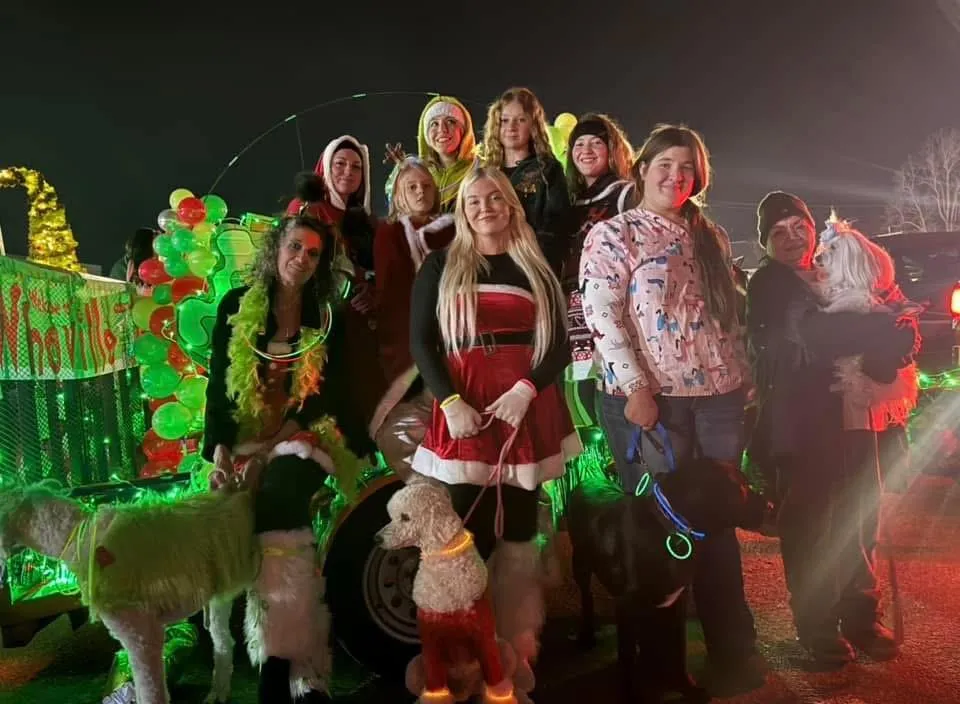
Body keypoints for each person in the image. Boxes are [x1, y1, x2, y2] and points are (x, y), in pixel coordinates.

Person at [580, 123, 762, 695]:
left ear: (698, 177)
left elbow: (727, 313)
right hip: (652, 404)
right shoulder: (614, 235)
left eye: (686, 167)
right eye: (665, 164)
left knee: (719, 528)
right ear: (643, 169)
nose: (675, 175)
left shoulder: (710, 236)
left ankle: (733, 650)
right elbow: (602, 315)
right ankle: (663, 666)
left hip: (718, 399)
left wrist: (744, 376)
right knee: (662, 535)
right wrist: (634, 386)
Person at [409, 165, 580, 667]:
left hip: (524, 408)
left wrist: (526, 391)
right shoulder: (440, 266)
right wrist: (450, 402)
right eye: (474, 201)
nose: (485, 208)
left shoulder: (535, 265)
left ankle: (518, 652)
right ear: (463, 210)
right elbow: (422, 343)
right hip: (465, 410)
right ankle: (464, 655)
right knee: (467, 532)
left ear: (511, 205)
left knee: (520, 531)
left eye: (494, 199)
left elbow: (561, 343)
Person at [202, 213, 370, 703]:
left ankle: (284, 669)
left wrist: (277, 447)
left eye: (313, 254)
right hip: (241, 442)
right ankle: (289, 658)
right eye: (295, 247)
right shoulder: (236, 306)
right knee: (229, 524)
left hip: (305, 437)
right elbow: (219, 390)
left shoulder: (326, 316)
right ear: (276, 249)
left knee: (278, 502)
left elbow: (327, 398)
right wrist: (220, 453)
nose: (302, 259)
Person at [748, 191, 917, 665]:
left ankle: (861, 616)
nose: (790, 238)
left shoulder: (839, 264)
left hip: (858, 421)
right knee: (812, 530)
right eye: (776, 233)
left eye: (798, 226)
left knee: (859, 521)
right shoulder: (769, 285)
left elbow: (895, 304)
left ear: (811, 227)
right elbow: (818, 336)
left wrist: (899, 334)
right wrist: (887, 331)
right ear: (763, 244)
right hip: (802, 424)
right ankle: (818, 627)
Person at [286, 137, 386, 445]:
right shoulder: (307, 210)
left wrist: (372, 293)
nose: (348, 172)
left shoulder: (365, 221)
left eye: (356, 166)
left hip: (361, 325)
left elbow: (380, 269)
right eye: (340, 163)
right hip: (318, 325)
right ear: (326, 167)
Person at [371, 156, 455, 478]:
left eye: (426, 186)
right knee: (402, 431)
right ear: (398, 195)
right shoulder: (389, 233)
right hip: (407, 343)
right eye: (412, 187)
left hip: (453, 340)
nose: (420, 192)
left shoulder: (455, 229)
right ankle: (428, 496)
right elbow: (391, 293)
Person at [561, 114, 636, 425]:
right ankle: (598, 461)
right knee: (583, 384)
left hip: (615, 305)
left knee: (617, 381)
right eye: (579, 143)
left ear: (612, 150)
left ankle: (631, 462)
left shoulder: (625, 194)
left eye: (596, 143)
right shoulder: (569, 201)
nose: (586, 150)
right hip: (575, 309)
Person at [481, 87, 571, 276]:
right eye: (504, 120)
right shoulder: (485, 172)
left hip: (532, 267)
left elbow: (559, 225)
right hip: (490, 267)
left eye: (520, 120)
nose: (511, 127)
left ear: (533, 125)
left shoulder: (547, 169)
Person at [386, 95, 479, 213]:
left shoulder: (480, 169)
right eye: (434, 124)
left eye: (451, 122)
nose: (442, 130)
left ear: (464, 130)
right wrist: (400, 175)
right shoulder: (418, 172)